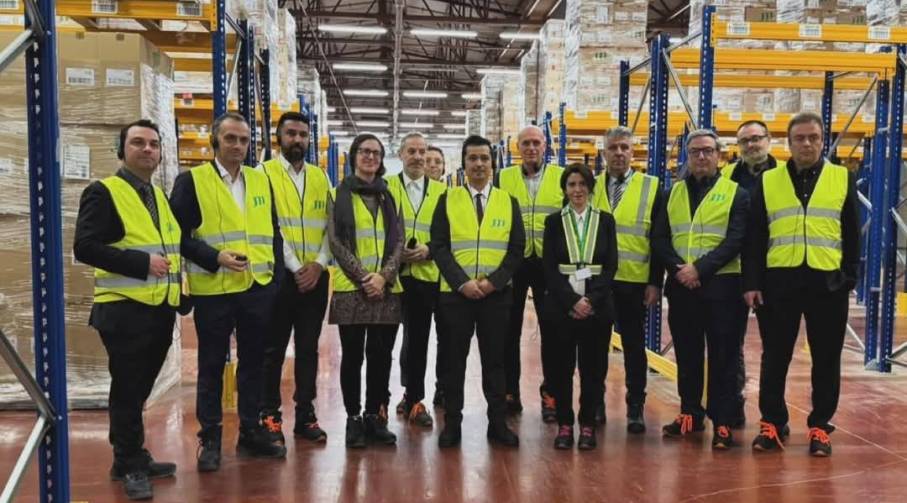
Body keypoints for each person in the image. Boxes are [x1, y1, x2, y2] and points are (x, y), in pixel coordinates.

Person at [170, 112, 286, 472]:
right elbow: (176, 237)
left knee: (254, 363)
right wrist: (214, 257)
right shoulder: (192, 181)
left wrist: (275, 281)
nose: (238, 145)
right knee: (211, 365)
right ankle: (210, 438)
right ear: (215, 141)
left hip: (257, 289)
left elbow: (273, 232)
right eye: (231, 138)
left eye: (244, 140)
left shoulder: (260, 180)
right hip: (214, 290)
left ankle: (250, 431)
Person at [74, 120, 181, 500]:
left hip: (159, 308)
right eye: (138, 143)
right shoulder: (103, 192)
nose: (147, 149)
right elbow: (85, 246)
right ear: (122, 150)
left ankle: (129, 456)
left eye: (153, 144)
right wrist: (140, 263)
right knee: (128, 388)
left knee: (136, 391)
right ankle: (130, 462)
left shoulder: (158, 196)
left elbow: (171, 248)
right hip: (124, 309)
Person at [745, 112, 859, 457]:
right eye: (800, 138)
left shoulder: (842, 177)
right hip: (779, 282)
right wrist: (752, 282)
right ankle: (772, 422)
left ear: (823, 141)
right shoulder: (769, 181)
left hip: (828, 283)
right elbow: (755, 236)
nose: (807, 144)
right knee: (775, 356)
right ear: (789, 143)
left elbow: (852, 232)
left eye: (813, 137)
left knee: (826, 358)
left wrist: (848, 276)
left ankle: (820, 426)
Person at [652, 129, 749, 450]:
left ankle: (723, 421)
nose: (701, 157)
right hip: (683, 289)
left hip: (724, 290)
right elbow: (660, 238)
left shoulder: (736, 194)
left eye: (707, 150)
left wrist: (700, 269)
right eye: (695, 152)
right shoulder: (671, 194)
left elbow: (736, 240)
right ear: (687, 156)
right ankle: (690, 413)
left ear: (719, 155)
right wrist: (680, 269)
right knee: (688, 355)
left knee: (724, 357)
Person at [431, 135, 525, 448]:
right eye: (473, 158)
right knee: (453, 362)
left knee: (495, 362)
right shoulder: (448, 199)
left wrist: (492, 282)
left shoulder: (508, 201)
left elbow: (516, 249)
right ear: (464, 164)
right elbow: (439, 246)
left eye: (484, 158)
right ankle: (452, 424)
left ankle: (497, 424)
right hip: (455, 296)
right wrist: (462, 282)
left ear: (492, 164)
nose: (479, 164)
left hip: (495, 297)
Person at [258, 111, 331, 444]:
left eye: (303, 134)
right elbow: (268, 225)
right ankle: (269, 415)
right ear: (279, 137)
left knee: (308, 349)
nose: (297, 140)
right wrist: (295, 266)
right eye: (291, 134)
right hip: (279, 278)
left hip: (316, 278)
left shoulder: (320, 176)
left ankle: (305, 415)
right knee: (272, 349)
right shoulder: (263, 174)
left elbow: (331, 226)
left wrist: (318, 264)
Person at [327, 133, 404, 448]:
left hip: (386, 289)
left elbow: (399, 241)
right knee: (352, 357)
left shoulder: (390, 197)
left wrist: (383, 277)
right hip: (351, 289)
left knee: (381, 356)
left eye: (376, 152)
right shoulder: (338, 194)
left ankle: (374, 416)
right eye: (364, 151)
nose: (370, 157)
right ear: (354, 156)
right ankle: (353, 419)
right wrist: (364, 278)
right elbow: (336, 242)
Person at [591, 127, 664, 432]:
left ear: (633, 152)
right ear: (604, 153)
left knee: (634, 347)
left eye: (624, 147)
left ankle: (635, 406)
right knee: (594, 345)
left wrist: (655, 282)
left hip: (634, 281)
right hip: (596, 282)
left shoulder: (652, 187)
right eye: (613, 148)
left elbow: (658, 239)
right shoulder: (589, 185)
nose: (619, 153)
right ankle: (595, 403)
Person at [543, 163, 617, 450]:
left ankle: (587, 424)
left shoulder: (605, 221)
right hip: (562, 308)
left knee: (593, 370)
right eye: (572, 184)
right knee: (561, 369)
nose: (577, 190)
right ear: (564, 189)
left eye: (582, 184)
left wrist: (591, 300)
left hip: (596, 308)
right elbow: (549, 268)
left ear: (590, 188)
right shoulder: (553, 222)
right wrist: (573, 301)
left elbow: (610, 266)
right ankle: (564, 423)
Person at [496, 125, 564, 421]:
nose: (531, 148)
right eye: (526, 143)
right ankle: (510, 392)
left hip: (549, 264)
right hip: (515, 262)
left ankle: (551, 394)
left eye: (536, 142)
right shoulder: (503, 178)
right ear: (517, 148)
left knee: (552, 331)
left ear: (545, 146)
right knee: (508, 330)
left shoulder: (561, 176)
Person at [720, 120, 785, 427]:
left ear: (768, 140)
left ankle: (774, 418)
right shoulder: (726, 176)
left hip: (773, 271)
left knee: (776, 347)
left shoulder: (784, 174)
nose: (751, 145)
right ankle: (733, 409)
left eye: (757, 138)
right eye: (745, 141)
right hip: (733, 270)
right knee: (730, 343)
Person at [388, 133, 446, 427]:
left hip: (427, 276)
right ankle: (382, 401)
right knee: (385, 342)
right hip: (390, 276)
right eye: (411, 151)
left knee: (419, 340)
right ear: (400, 154)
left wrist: (429, 250)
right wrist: (396, 254)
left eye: (422, 152)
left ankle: (415, 399)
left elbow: (450, 232)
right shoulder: (386, 187)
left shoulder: (443, 192)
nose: (418, 157)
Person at [425, 144, 449, 407]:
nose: (432, 165)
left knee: (447, 339)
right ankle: (411, 393)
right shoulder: (408, 194)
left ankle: (443, 387)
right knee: (414, 341)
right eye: (428, 160)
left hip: (445, 280)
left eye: (437, 161)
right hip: (417, 277)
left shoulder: (452, 196)